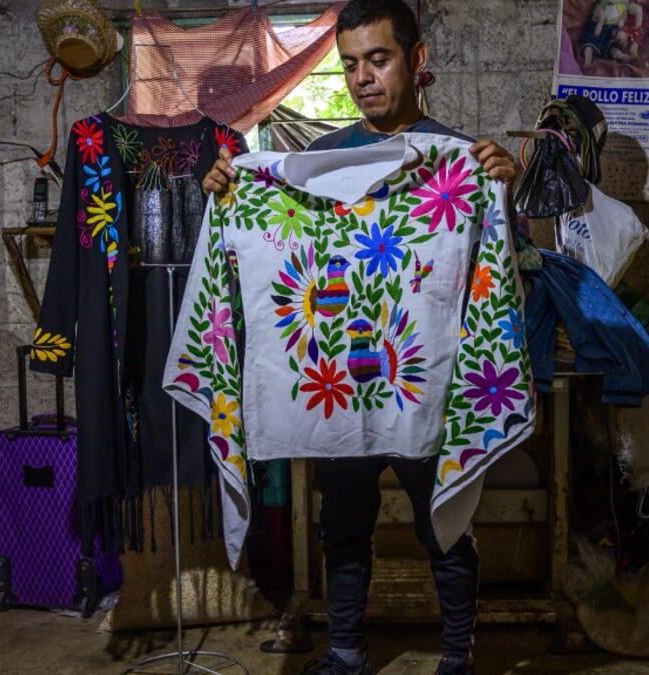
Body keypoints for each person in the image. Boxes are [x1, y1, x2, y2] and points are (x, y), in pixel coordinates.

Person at [202, 2, 517, 674]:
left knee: (445, 522)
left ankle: (458, 655)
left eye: (379, 59)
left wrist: (500, 191)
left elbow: (487, 268)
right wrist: (231, 191)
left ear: (416, 59)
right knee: (342, 524)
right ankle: (345, 649)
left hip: (422, 382)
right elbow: (276, 243)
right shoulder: (318, 160)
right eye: (349, 64)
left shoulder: (457, 158)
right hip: (339, 384)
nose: (363, 77)